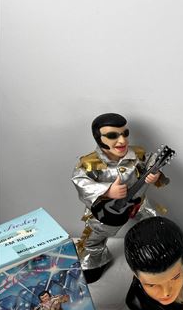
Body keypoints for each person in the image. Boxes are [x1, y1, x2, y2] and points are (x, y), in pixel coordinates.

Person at [71, 113, 169, 284]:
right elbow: (80, 181)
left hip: (138, 203)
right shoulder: (89, 163)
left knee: (156, 224)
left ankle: (160, 248)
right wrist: (107, 191)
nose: (122, 140)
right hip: (106, 211)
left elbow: (151, 161)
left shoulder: (137, 154)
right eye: (112, 136)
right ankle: (95, 260)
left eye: (125, 133)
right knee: (93, 239)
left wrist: (156, 174)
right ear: (98, 138)